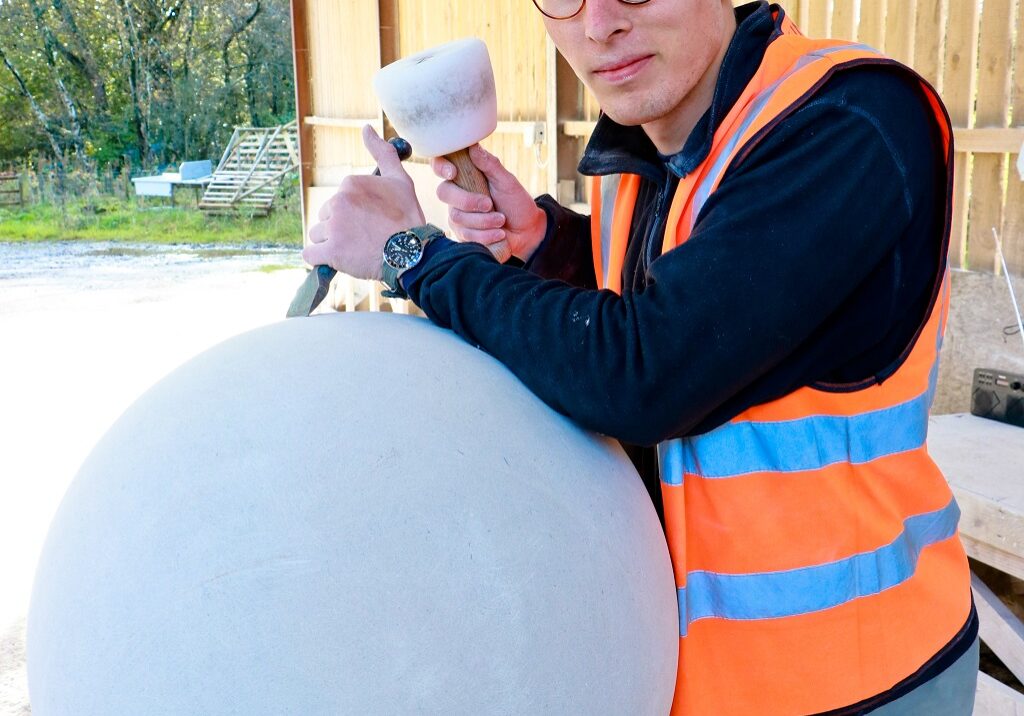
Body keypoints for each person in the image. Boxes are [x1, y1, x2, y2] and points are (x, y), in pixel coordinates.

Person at [302, 1, 978, 713]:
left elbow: (643, 372)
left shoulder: (851, 122)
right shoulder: (641, 151)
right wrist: (545, 243)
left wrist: (416, 257)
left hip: (857, 677)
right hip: (684, 673)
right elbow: (675, 294)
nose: (597, 26)